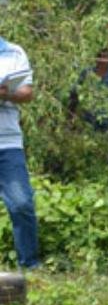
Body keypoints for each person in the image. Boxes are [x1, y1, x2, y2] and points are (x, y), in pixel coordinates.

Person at [0, 34, 40, 271]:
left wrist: (6, 94)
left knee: (21, 203)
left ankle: (30, 264)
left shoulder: (14, 52)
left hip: (7, 142)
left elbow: (27, 92)